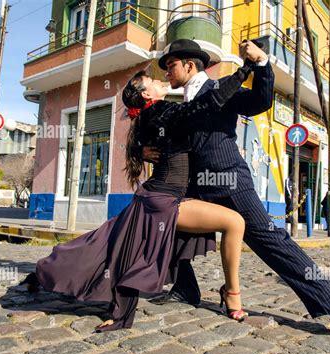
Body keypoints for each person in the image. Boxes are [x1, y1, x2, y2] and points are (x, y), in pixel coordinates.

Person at [145, 39, 330, 347]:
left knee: (274, 245)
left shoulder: (220, 90)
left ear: (189, 65)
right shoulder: (180, 104)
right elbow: (177, 143)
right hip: (194, 187)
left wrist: (262, 64)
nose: (166, 73)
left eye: (171, 66)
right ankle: (185, 290)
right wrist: (152, 152)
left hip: (230, 184)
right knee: (167, 222)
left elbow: (259, 101)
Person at [19, 59, 256, 332]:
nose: (160, 79)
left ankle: (44, 273)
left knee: (100, 247)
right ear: (147, 94)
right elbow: (202, 106)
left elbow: (168, 130)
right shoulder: (160, 112)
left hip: (165, 196)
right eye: (153, 80)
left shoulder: (152, 115)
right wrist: (244, 71)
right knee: (234, 222)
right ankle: (232, 296)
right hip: (164, 200)